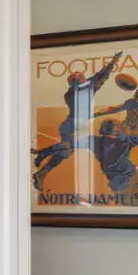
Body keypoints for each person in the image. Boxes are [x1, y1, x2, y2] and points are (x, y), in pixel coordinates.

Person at [33, 50, 123, 190]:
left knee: (65, 152)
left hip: (77, 125)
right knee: (66, 148)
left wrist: (112, 62)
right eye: (79, 76)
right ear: (74, 82)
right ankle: (41, 157)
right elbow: (97, 81)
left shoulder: (87, 87)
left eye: (82, 75)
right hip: (71, 125)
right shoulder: (70, 94)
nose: (84, 76)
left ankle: (41, 164)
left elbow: (101, 75)